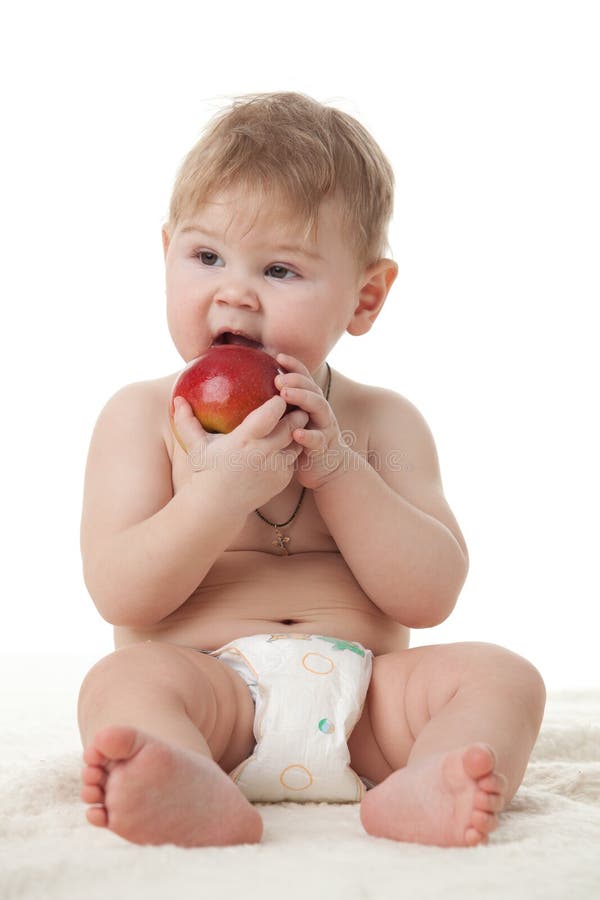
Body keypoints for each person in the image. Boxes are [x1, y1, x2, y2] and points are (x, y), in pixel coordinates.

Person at [77, 91, 546, 849]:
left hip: (368, 711)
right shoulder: (139, 418)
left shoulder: (385, 422)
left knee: (505, 676)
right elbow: (120, 591)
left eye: (281, 269)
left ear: (365, 297)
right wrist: (215, 497)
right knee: (120, 687)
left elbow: (430, 597)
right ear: (165, 251)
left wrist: (338, 469)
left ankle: (427, 783)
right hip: (211, 695)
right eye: (205, 257)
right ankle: (186, 780)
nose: (234, 291)